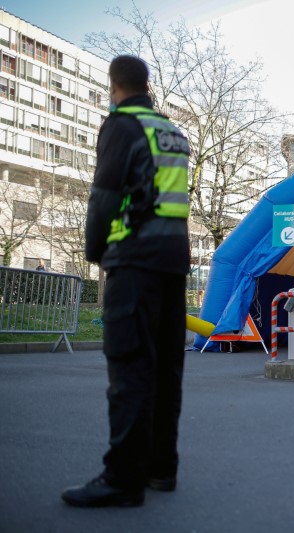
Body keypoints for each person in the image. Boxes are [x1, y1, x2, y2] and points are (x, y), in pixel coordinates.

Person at [61, 55, 191, 508]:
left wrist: (95, 252)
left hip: (134, 262)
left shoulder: (121, 125)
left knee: (130, 366)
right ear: (146, 82)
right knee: (165, 370)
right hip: (173, 263)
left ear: (113, 84)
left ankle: (123, 477)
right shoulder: (172, 131)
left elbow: (104, 197)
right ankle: (160, 468)